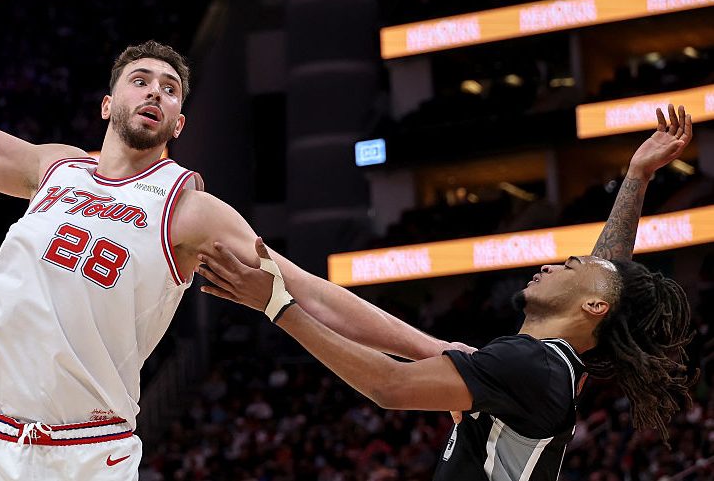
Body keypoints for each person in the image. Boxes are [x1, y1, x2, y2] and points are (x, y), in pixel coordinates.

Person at [0, 2, 468, 480]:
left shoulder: (188, 207)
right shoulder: (52, 168)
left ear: (178, 123)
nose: (155, 90)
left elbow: (313, 293)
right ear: (107, 104)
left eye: (170, 88)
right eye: (140, 80)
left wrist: (437, 351)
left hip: (84, 455)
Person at [196, 106, 696, 481]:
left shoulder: (531, 367)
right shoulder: (542, 366)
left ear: (592, 308)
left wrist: (278, 306)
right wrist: (636, 177)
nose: (551, 264)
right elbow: (609, 276)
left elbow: (389, 387)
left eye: (569, 265)